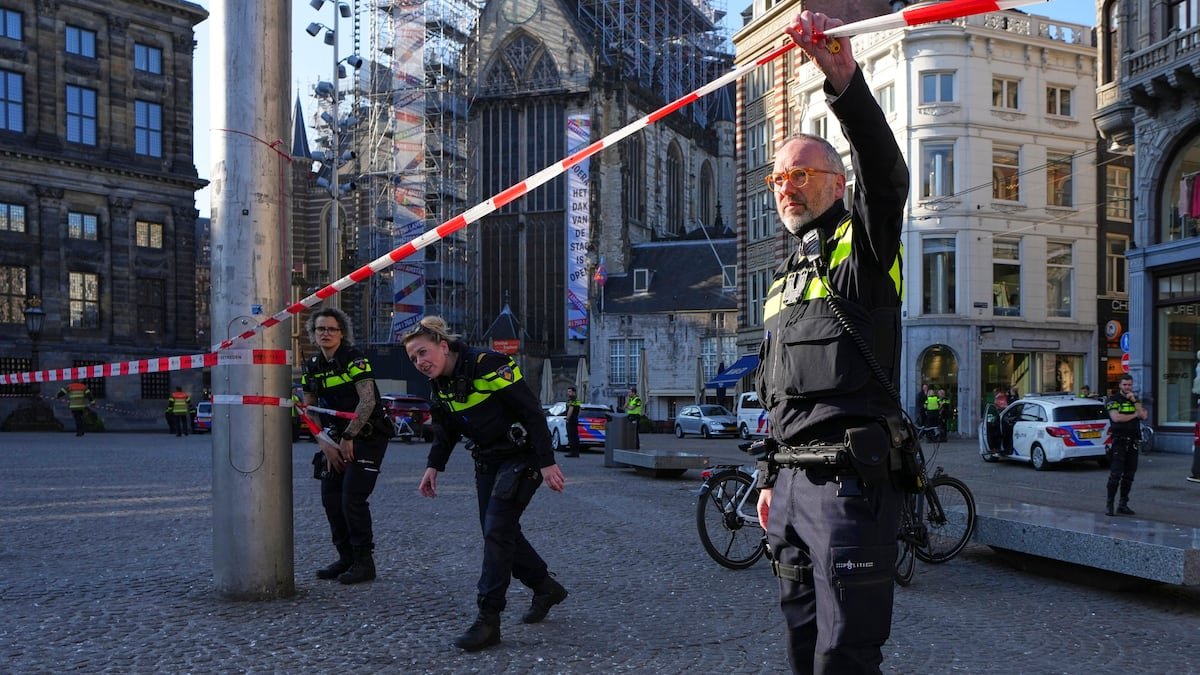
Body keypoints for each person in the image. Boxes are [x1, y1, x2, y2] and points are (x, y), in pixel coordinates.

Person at [754, 11, 908, 673]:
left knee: (844, 649)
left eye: (803, 175)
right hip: (789, 485)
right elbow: (779, 394)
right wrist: (768, 473)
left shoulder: (863, 250)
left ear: (838, 185)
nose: (788, 187)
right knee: (800, 638)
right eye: (778, 179)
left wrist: (844, 83)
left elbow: (887, 174)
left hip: (848, 485)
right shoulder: (784, 277)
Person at [404, 316, 568, 652]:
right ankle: (545, 586)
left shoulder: (489, 363)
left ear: (443, 345)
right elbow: (446, 430)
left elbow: (532, 411)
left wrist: (547, 462)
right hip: (488, 461)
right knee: (499, 532)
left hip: (521, 456)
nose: (420, 362)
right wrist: (433, 467)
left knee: (497, 530)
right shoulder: (439, 385)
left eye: (423, 352)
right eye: (413, 358)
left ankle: (488, 618)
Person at [301, 307, 391, 585]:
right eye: (320, 329)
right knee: (330, 498)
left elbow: (368, 402)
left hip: (367, 435)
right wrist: (325, 443)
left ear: (342, 333)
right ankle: (346, 557)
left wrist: (349, 436)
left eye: (331, 329)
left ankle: (365, 562)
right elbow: (309, 408)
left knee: (352, 498)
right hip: (335, 439)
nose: (326, 333)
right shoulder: (313, 365)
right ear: (313, 334)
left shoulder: (354, 359)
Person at [1104, 373, 1148, 516]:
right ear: (1120, 385)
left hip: (1133, 442)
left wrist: (1135, 401)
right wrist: (1135, 414)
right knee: (1115, 475)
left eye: (1129, 385)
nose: (1127, 387)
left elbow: (1144, 415)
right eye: (1125, 385)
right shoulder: (1113, 400)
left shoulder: (1135, 400)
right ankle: (1109, 504)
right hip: (1119, 442)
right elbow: (1116, 418)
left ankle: (1123, 504)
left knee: (1129, 475)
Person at [564, 386, 582, 458]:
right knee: (575, 437)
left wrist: (567, 418)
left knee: (571, 437)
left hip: (571, 421)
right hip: (575, 420)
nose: (568, 393)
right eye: (568, 391)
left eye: (570, 391)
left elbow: (570, 410)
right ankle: (576, 452)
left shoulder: (572, 400)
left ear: (574, 392)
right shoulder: (576, 400)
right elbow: (579, 410)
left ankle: (572, 452)